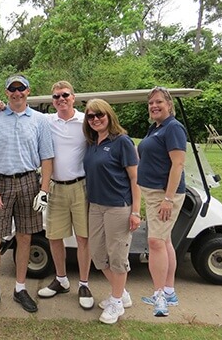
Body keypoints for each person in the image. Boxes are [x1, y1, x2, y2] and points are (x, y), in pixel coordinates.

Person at [0, 75, 54, 315]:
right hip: (0, 182)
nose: (17, 92)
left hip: (30, 181)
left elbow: (47, 157)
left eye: (21, 88)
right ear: (6, 91)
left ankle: (20, 288)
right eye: (12, 88)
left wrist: (44, 190)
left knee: (25, 238)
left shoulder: (40, 120)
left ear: (28, 91)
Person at [36, 81, 94, 310]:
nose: (61, 99)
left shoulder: (85, 120)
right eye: (56, 96)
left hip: (81, 186)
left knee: (83, 238)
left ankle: (84, 283)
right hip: (55, 186)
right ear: (53, 101)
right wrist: (1, 105)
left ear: (73, 97)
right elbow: (23, 112)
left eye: (65, 95)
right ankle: (61, 279)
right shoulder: (48, 121)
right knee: (54, 236)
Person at [82, 99, 141, 324]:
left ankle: (116, 301)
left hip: (118, 206)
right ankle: (122, 293)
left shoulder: (122, 142)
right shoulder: (91, 142)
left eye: (100, 115)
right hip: (95, 206)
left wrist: (136, 211)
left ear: (109, 116)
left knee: (117, 256)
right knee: (97, 254)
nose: (96, 119)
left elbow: (135, 178)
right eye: (91, 116)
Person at [137, 86, 187, 317]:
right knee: (165, 241)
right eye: (150, 103)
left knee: (155, 242)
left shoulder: (174, 127)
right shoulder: (156, 127)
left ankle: (159, 297)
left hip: (164, 195)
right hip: (153, 193)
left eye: (158, 102)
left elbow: (177, 164)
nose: (154, 106)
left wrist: (168, 198)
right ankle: (169, 292)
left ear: (169, 104)